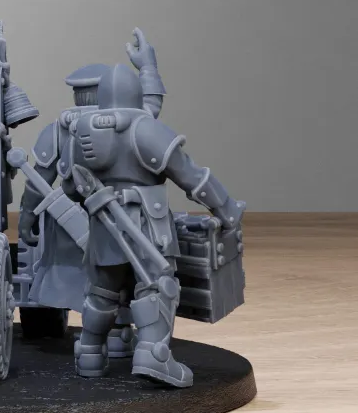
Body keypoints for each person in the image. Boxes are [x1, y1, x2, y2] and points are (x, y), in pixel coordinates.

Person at [65, 64, 244, 387]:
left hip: (104, 227)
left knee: (102, 290)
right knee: (158, 287)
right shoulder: (145, 129)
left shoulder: (83, 131)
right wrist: (226, 209)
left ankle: (89, 353)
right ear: (135, 94)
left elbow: (70, 186)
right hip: (147, 224)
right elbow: (190, 175)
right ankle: (153, 353)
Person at [18, 29, 165, 354]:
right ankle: (117, 335)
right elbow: (152, 104)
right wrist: (148, 68)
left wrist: (26, 217)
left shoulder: (58, 130)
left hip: (74, 222)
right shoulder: (132, 122)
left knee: (94, 282)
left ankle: (93, 345)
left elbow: (37, 181)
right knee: (126, 277)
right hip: (121, 218)